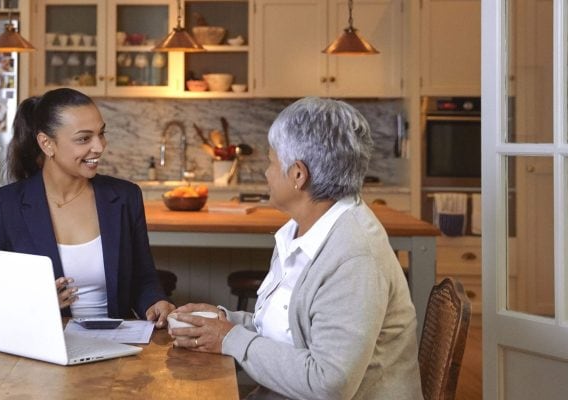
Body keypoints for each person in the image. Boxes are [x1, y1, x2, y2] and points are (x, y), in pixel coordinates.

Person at [169, 97, 422, 399]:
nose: (266, 173)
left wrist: (230, 338)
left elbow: (329, 383)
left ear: (298, 175)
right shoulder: (303, 230)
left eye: (271, 161)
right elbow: (291, 332)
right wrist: (225, 322)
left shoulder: (355, 257)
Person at [0, 88, 176, 327]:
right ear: (47, 144)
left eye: (101, 134)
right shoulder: (8, 205)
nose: (99, 147)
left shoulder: (125, 197)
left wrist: (155, 302)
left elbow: (143, 277)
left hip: (117, 346)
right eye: (84, 139)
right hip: (40, 347)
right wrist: (33, 303)